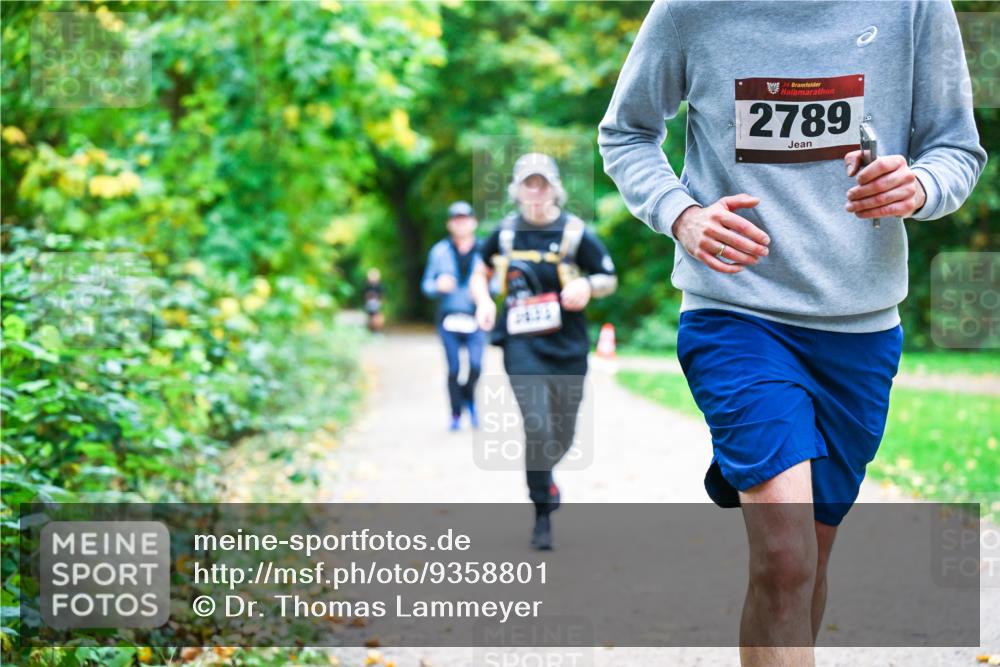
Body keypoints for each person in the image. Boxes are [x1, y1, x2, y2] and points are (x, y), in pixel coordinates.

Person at [597, 1, 986, 664]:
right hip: (735, 312)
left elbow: (957, 148)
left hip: (859, 330)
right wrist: (681, 214)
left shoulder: (914, 6)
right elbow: (626, 133)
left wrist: (918, 185)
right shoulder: (690, 10)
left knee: (810, 557)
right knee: (783, 554)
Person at [470, 152, 618, 550]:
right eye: (527, 184)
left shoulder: (574, 233)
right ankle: (542, 509)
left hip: (568, 345)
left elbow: (608, 277)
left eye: (542, 184)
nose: (535, 191)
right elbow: (479, 273)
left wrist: (587, 287)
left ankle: (543, 477)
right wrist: (484, 302)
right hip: (521, 344)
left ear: (555, 188)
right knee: (537, 425)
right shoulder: (502, 235)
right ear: (516, 190)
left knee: (562, 434)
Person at [421, 201, 488, 431]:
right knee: (453, 369)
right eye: (456, 220)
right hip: (449, 318)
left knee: (476, 366)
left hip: (476, 317)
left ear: (473, 222)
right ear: (450, 224)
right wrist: (438, 285)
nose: (461, 224)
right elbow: (426, 285)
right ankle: (456, 413)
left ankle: (469, 400)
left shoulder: (485, 250)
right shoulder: (439, 252)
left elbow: (498, 283)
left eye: (465, 219)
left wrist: (482, 289)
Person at [362, 268, 385, 333]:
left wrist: (381, 302)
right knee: (370, 316)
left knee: (377, 316)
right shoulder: (367, 285)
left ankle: (377, 329)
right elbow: (364, 294)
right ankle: (371, 329)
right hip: (369, 303)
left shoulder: (380, 285)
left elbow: (382, 295)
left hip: (377, 303)